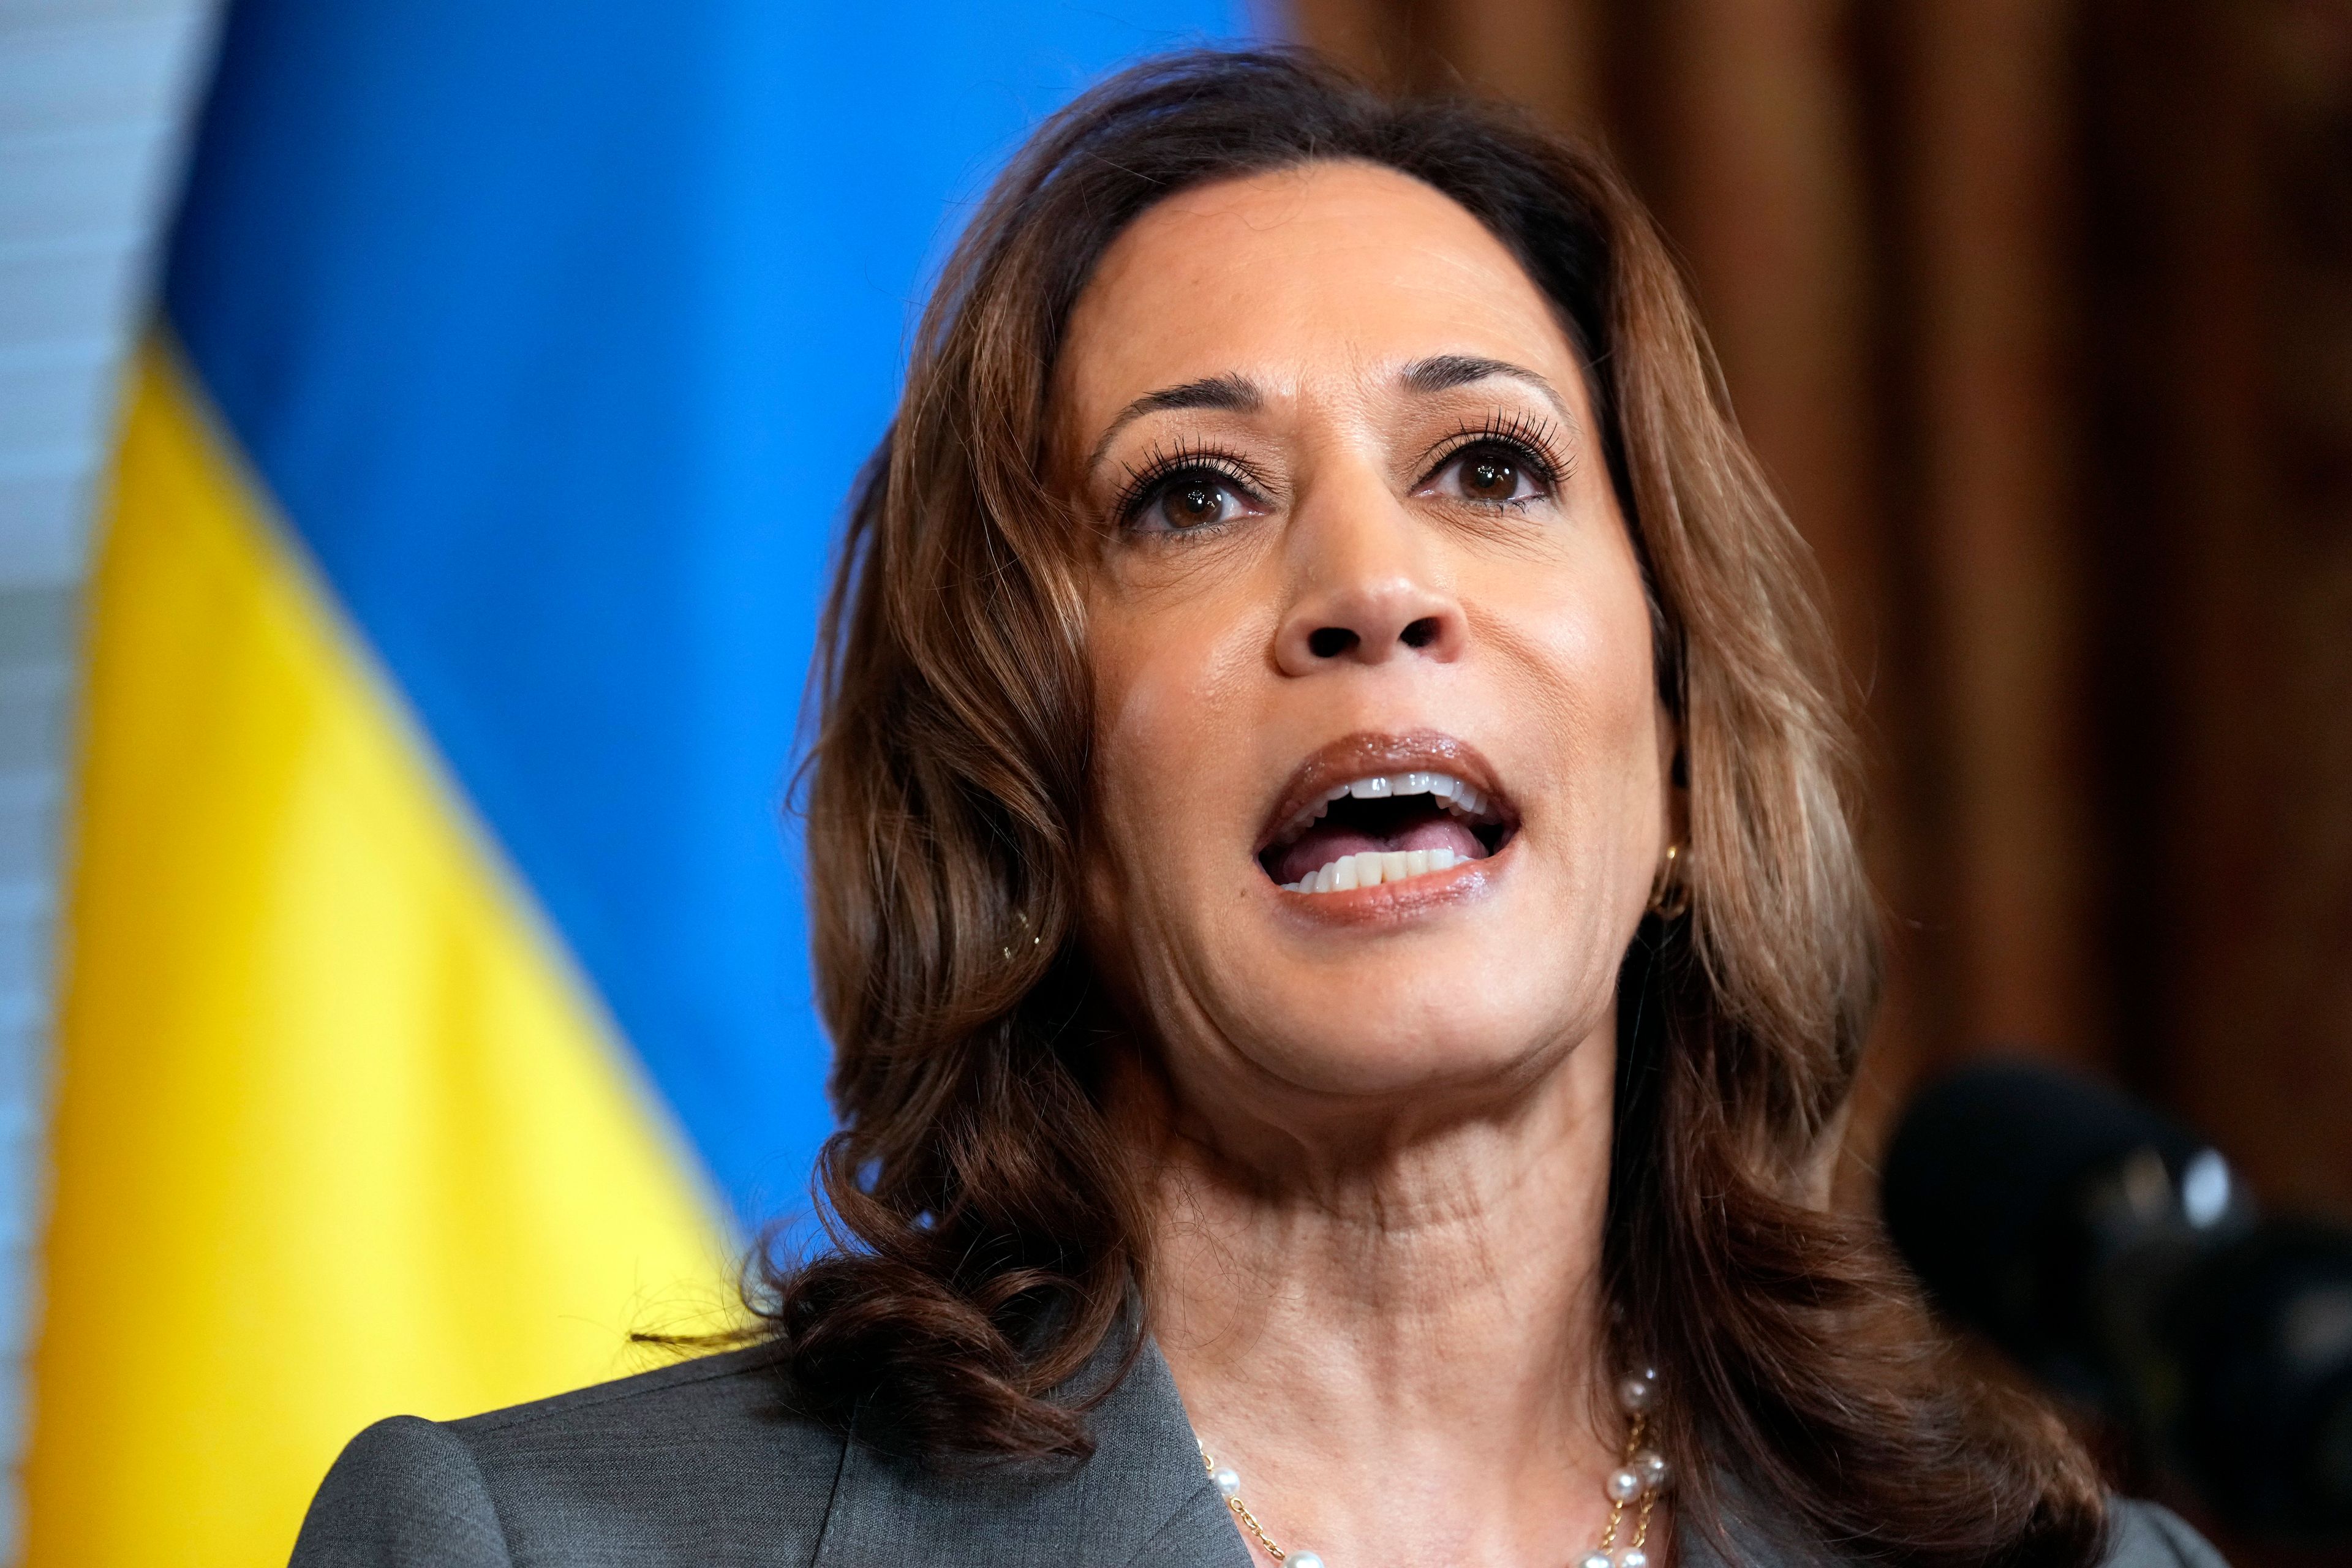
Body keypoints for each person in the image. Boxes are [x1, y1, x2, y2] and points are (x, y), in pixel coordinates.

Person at [291, 48, 2228, 1568]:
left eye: (1489, 464)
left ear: (1690, 748)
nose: (1375, 587)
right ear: (1022, 789)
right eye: (1192, 495)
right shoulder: (529, 1555)